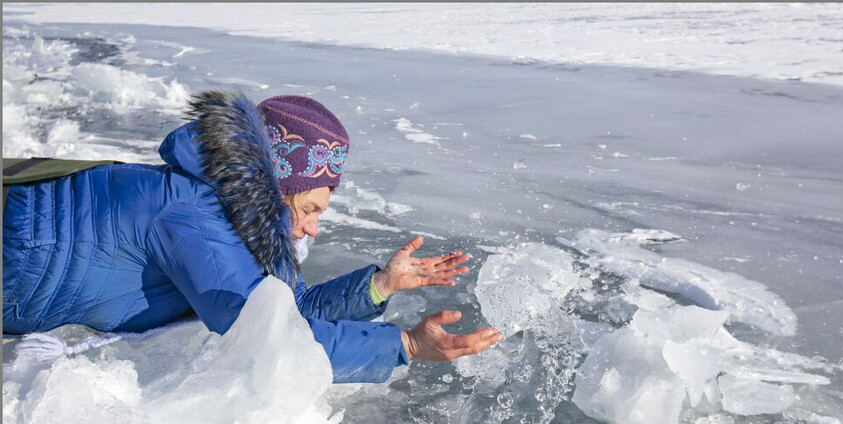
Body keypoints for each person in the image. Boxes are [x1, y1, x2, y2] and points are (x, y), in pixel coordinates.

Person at [2, 90, 503, 382]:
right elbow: (264, 338)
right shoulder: (193, 216)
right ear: (276, 186)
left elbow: (281, 308)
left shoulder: (219, 209)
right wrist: (407, 345)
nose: (312, 227)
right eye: (308, 208)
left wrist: (378, 287)